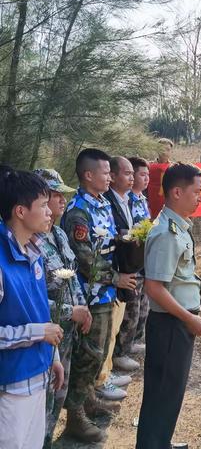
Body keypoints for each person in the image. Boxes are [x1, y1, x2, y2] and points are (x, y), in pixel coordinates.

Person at [61, 149, 137, 443]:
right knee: (89, 354)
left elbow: (107, 243)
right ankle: (75, 417)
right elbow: (84, 259)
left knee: (100, 350)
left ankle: (88, 398)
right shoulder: (78, 211)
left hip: (106, 292)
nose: (110, 177)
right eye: (105, 173)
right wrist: (116, 277)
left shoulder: (102, 204)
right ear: (88, 175)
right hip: (90, 294)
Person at [136, 162, 201, 449]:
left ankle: (159, 442)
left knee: (169, 392)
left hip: (175, 322)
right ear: (177, 192)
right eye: (197, 191)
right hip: (170, 325)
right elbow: (154, 287)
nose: (200, 198)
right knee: (163, 392)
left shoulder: (177, 226)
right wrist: (188, 318)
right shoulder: (167, 233)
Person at [0, 169, 64, 449]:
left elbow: (41, 313)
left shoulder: (33, 251)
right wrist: (39, 333)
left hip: (38, 376)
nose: (50, 211)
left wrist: (54, 356)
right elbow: (40, 327)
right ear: (20, 211)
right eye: (42, 205)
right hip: (11, 386)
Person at [33, 169, 93, 449]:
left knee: (59, 395)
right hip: (42, 335)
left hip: (65, 337)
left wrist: (82, 308)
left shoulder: (58, 233)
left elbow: (72, 276)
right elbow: (31, 299)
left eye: (60, 194)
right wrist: (72, 312)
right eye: (54, 195)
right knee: (39, 404)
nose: (61, 200)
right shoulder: (30, 242)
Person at [95, 156, 137, 402]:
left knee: (112, 330)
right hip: (103, 283)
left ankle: (106, 373)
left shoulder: (118, 200)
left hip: (117, 277)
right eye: (127, 173)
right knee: (103, 336)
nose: (130, 178)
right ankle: (100, 380)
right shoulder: (101, 203)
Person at [111, 157, 151, 377]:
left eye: (147, 175)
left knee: (138, 309)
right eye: (137, 174)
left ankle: (128, 345)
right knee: (128, 311)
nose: (139, 178)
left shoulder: (134, 199)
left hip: (136, 262)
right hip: (119, 269)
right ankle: (120, 353)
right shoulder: (112, 201)